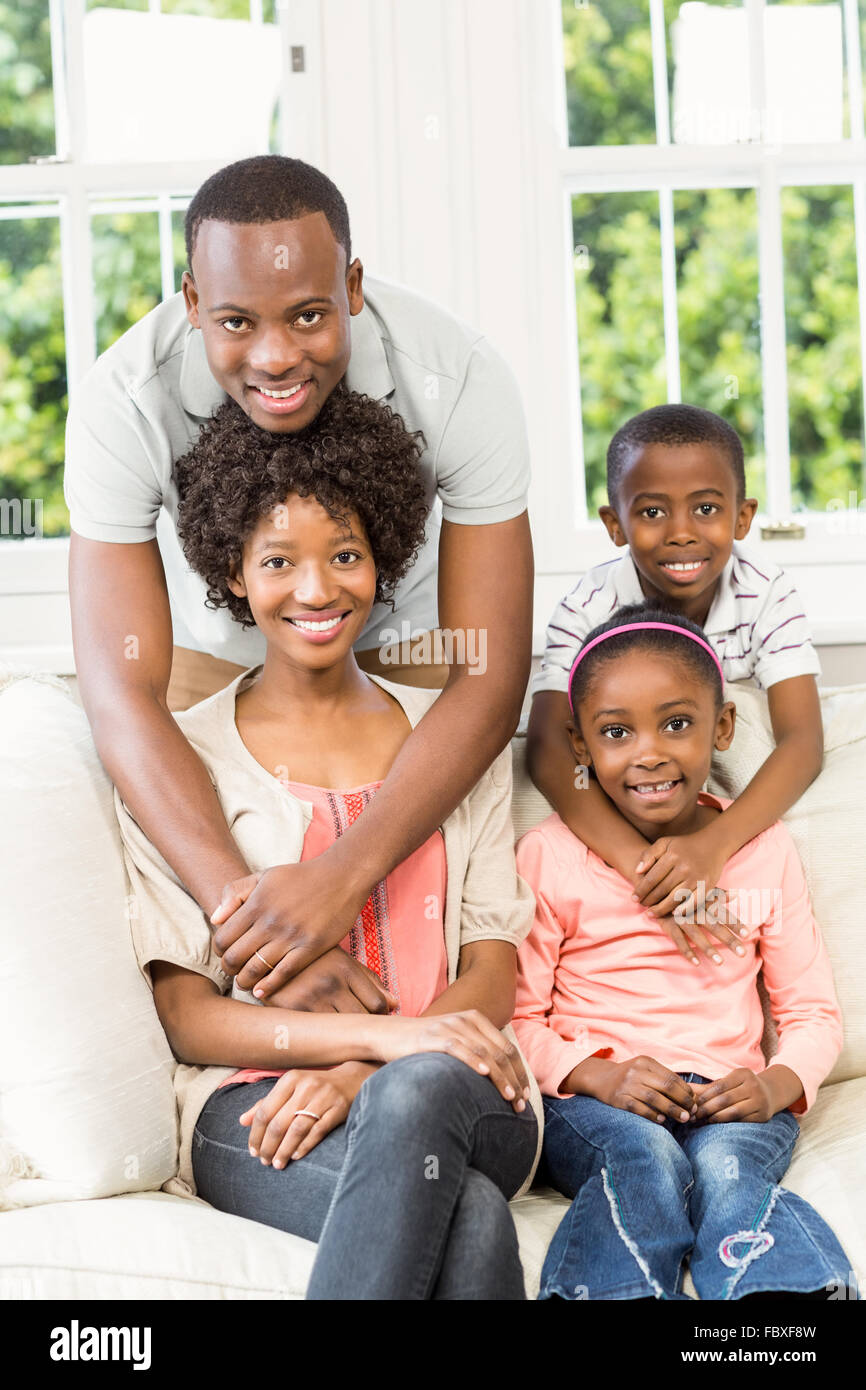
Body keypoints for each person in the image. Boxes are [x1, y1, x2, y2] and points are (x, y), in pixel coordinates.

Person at [66, 153, 533, 1016]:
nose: (276, 358)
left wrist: (341, 876)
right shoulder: (121, 403)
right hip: (218, 661)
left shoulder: (460, 377)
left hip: (423, 654)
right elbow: (119, 691)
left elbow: (491, 672)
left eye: (310, 315)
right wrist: (254, 923)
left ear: (353, 286)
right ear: (192, 302)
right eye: (237, 322)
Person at [114, 385, 542, 1300]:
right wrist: (368, 1055)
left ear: (380, 556)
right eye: (278, 560)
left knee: (416, 1095)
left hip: (465, 1092)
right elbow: (189, 1017)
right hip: (255, 1105)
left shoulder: (452, 739)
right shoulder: (184, 763)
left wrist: (370, 1068)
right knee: (469, 1220)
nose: (317, 590)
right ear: (232, 569)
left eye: (345, 555)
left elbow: (495, 972)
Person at [512, 604, 854, 1301]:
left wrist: (774, 1086)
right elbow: (514, 1020)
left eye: (677, 723)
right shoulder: (550, 853)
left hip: (730, 1099)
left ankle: (782, 1300)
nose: (649, 752)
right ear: (580, 746)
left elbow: (814, 1013)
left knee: (729, 1170)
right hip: (600, 1104)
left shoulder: (762, 851)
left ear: (721, 727)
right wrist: (598, 1077)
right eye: (616, 732)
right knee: (641, 1159)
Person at [527, 404, 824, 966]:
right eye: (653, 512)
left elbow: (803, 742)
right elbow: (546, 749)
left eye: (707, 509)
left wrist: (711, 847)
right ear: (614, 524)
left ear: (743, 517)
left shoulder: (766, 592)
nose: (682, 533)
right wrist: (643, 866)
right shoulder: (587, 608)